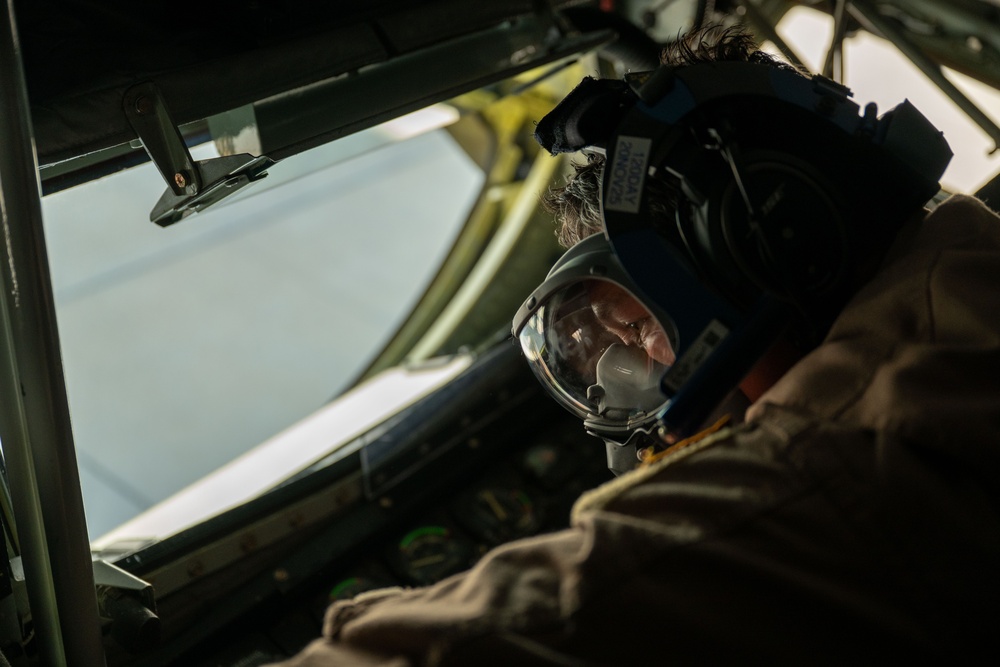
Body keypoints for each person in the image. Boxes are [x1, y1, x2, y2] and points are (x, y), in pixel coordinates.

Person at [271, 26, 1000, 666]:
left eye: (639, 322)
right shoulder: (963, 281)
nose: (636, 369)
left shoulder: (848, 457)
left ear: (769, 242)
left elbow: (472, 640)